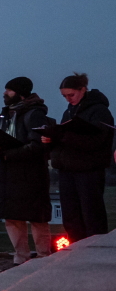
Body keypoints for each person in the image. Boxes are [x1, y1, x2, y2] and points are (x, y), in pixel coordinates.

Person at [0, 76, 54, 264]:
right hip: (9, 175)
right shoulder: (6, 115)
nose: (4, 93)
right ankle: (20, 259)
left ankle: (43, 259)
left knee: (37, 217)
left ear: (21, 93)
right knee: (13, 217)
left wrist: (8, 154)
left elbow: (38, 145)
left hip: (31, 175)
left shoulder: (34, 114)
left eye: (9, 90)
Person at [42, 73, 113, 242]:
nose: (68, 99)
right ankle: (76, 249)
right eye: (64, 96)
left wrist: (63, 137)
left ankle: (96, 249)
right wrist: (50, 140)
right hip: (68, 169)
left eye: (71, 95)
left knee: (91, 213)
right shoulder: (70, 111)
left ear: (83, 89)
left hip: (88, 170)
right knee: (71, 215)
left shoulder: (99, 111)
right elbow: (65, 137)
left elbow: (98, 140)